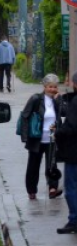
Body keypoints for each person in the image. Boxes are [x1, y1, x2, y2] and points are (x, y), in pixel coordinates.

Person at [21, 73, 63, 200]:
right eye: (50, 86)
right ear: (44, 87)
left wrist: (57, 101)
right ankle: (32, 190)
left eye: (55, 87)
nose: (52, 89)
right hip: (37, 136)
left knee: (52, 164)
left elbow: (60, 116)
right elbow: (25, 116)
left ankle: (52, 188)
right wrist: (25, 136)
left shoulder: (56, 100)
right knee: (33, 165)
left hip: (51, 135)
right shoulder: (36, 99)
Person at [54, 72, 77, 234]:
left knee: (71, 187)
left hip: (74, 152)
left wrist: (58, 132)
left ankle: (74, 220)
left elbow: (71, 126)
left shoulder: (75, 102)